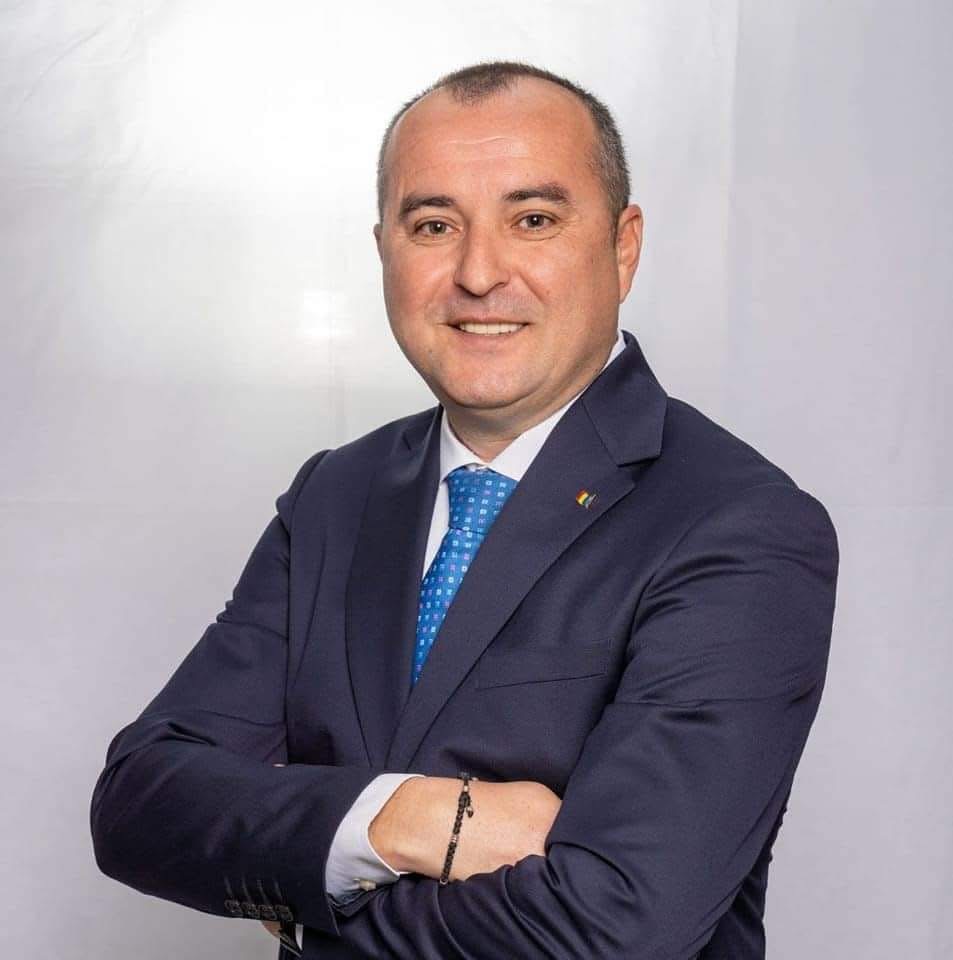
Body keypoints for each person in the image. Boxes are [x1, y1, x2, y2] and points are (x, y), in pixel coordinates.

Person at [90, 61, 839, 959]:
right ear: (384, 251)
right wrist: (410, 819)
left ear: (622, 246)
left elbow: (614, 930)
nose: (479, 274)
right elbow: (138, 802)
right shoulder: (335, 495)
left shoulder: (737, 524)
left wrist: (309, 893)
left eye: (533, 220)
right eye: (434, 225)